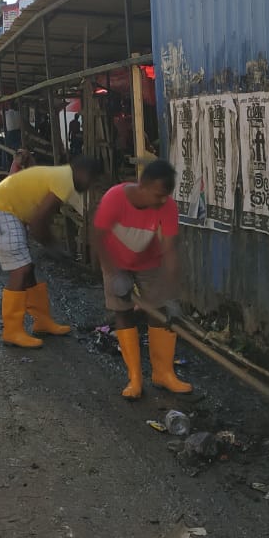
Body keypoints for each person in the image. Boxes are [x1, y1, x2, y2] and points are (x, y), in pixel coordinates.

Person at [90, 158, 190, 399]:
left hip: (149, 261)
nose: (161, 201)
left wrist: (172, 292)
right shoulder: (115, 199)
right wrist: (113, 274)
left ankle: (163, 373)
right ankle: (135, 378)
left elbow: (169, 251)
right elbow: (97, 237)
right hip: (115, 259)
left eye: (165, 195)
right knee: (122, 311)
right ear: (142, 186)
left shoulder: (167, 206)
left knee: (160, 312)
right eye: (157, 195)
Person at [0, 154, 102, 348]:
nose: (90, 185)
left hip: (7, 208)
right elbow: (39, 222)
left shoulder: (63, 175)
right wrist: (53, 247)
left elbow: (39, 221)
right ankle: (12, 331)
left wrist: (50, 245)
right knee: (20, 269)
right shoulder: (65, 181)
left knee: (27, 268)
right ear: (83, 173)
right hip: (2, 208)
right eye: (92, 180)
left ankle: (42, 321)